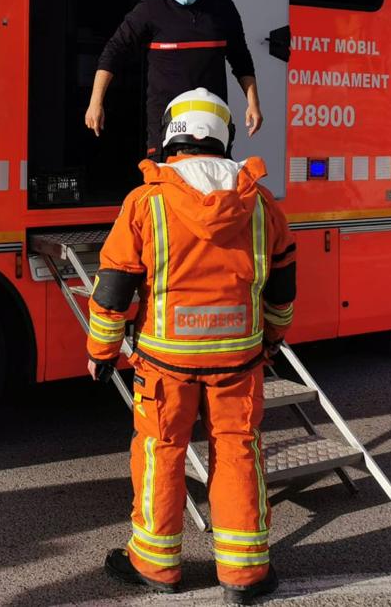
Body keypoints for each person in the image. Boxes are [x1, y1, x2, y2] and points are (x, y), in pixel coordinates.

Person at [85, 88, 295, 603]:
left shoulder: (146, 201)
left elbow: (112, 289)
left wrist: (101, 352)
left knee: (161, 453)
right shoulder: (260, 203)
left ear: (171, 136)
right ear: (224, 135)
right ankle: (244, 575)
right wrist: (272, 339)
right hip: (238, 362)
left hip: (164, 364)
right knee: (238, 454)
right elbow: (282, 288)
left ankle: (156, 566)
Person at [85, 0, 263, 158]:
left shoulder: (222, 8)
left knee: (214, 186)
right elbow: (114, 51)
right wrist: (95, 102)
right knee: (165, 183)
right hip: (166, 120)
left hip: (212, 118)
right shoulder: (150, 10)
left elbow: (241, 59)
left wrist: (253, 103)